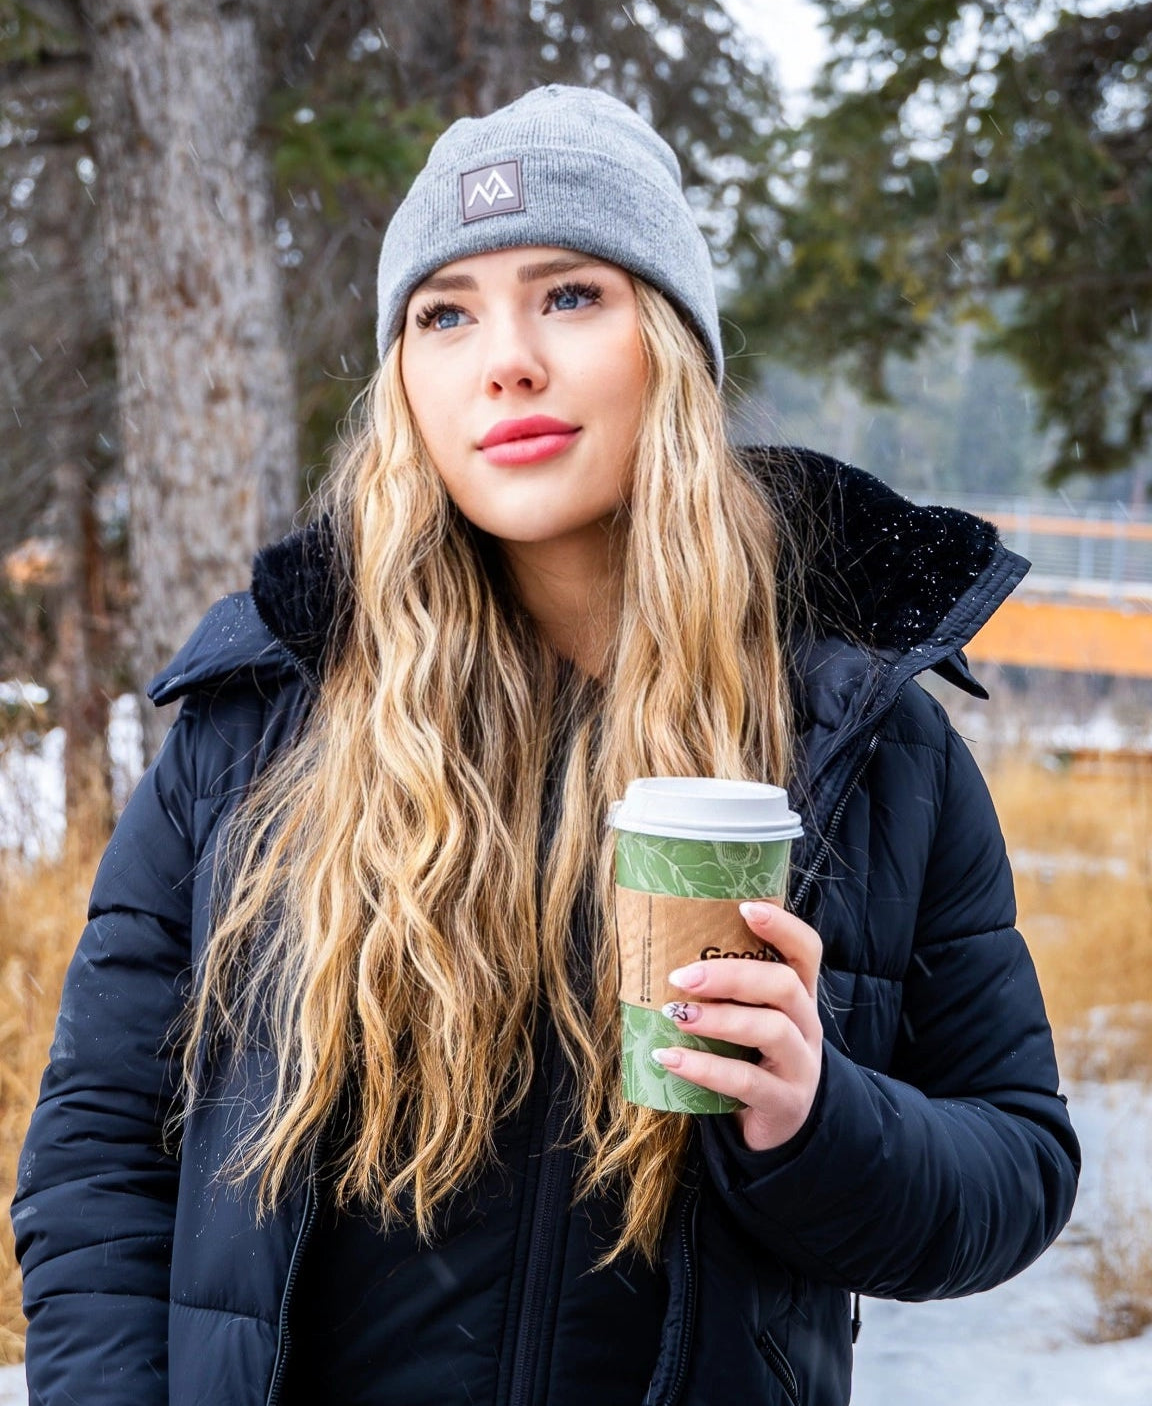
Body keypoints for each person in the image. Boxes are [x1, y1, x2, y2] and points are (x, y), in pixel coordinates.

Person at [12, 84, 1079, 1406]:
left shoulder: (863, 740)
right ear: (405, 379)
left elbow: (1016, 1164)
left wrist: (816, 1118)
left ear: (669, 345)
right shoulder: (261, 725)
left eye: (571, 295)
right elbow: (99, 1162)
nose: (505, 360)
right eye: (445, 313)